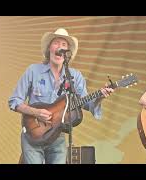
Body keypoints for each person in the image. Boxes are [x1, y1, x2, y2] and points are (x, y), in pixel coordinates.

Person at [8, 28, 114, 164]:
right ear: (49, 48)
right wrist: (36, 112)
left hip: (57, 136)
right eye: (56, 43)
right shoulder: (33, 71)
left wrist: (101, 96)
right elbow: (14, 101)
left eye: (64, 45)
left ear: (67, 53)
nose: (60, 47)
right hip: (33, 133)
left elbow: (86, 103)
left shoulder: (74, 76)